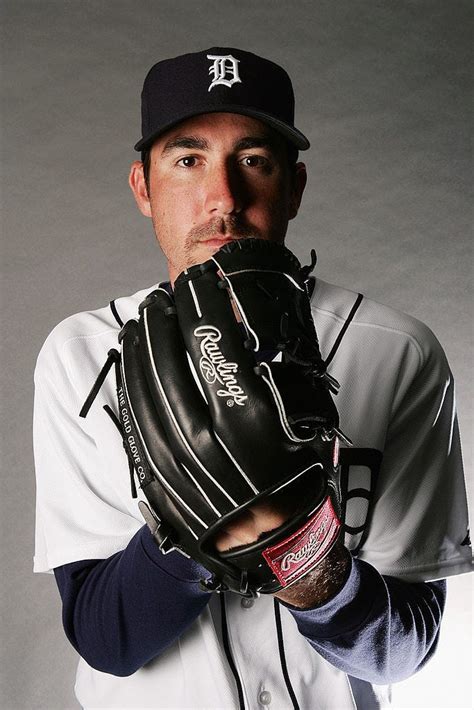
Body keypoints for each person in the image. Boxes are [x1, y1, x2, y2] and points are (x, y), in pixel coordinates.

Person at [33, 47, 472, 709]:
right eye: (188, 160)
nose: (224, 198)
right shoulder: (83, 353)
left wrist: (297, 551)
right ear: (143, 189)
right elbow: (106, 638)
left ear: (293, 186)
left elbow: (403, 648)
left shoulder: (397, 351)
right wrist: (197, 525)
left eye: (254, 161)